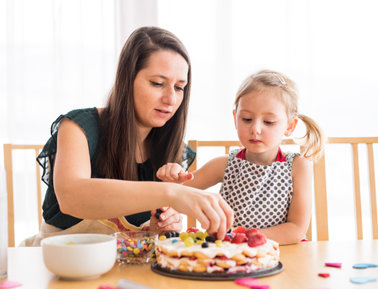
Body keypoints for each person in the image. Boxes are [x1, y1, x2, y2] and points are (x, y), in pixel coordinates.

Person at [23, 26, 233, 246]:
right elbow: (72, 197)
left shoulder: (173, 150)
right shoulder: (78, 127)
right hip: (64, 268)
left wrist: (158, 228)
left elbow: (142, 240)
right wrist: (170, 193)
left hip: (127, 271)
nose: (171, 99)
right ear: (127, 79)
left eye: (180, 87)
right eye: (158, 84)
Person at [157, 70, 325, 245]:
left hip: (283, 256)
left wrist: (244, 238)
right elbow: (175, 193)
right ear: (235, 118)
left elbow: (296, 230)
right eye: (246, 119)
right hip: (234, 256)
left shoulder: (298, 166)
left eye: (268, 122)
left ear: (289, 126)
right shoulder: (224, 164)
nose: (256, 129)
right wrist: (171, 177)